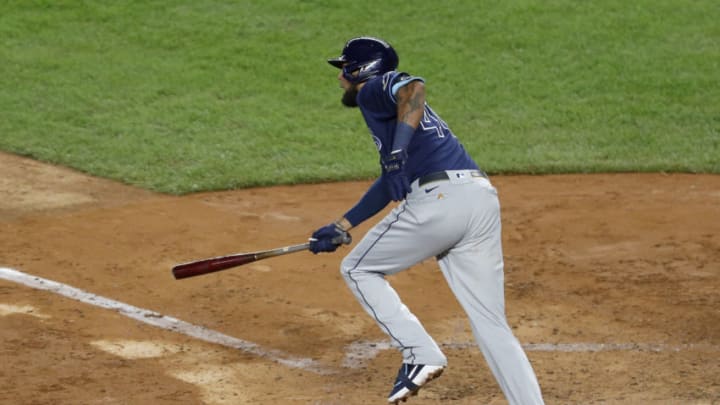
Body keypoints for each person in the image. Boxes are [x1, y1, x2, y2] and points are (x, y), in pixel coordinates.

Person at [309, 36, 544, 405]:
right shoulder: (389, 114)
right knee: (491, 324)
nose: (340, 79)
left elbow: (414, 88)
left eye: (344, 70)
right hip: (479, 201)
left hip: (440, 203)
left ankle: (420, 353)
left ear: (362, 72)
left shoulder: (373, 91)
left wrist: (398, 152)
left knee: (358, 270)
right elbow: (391, 181)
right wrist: (342, 225)